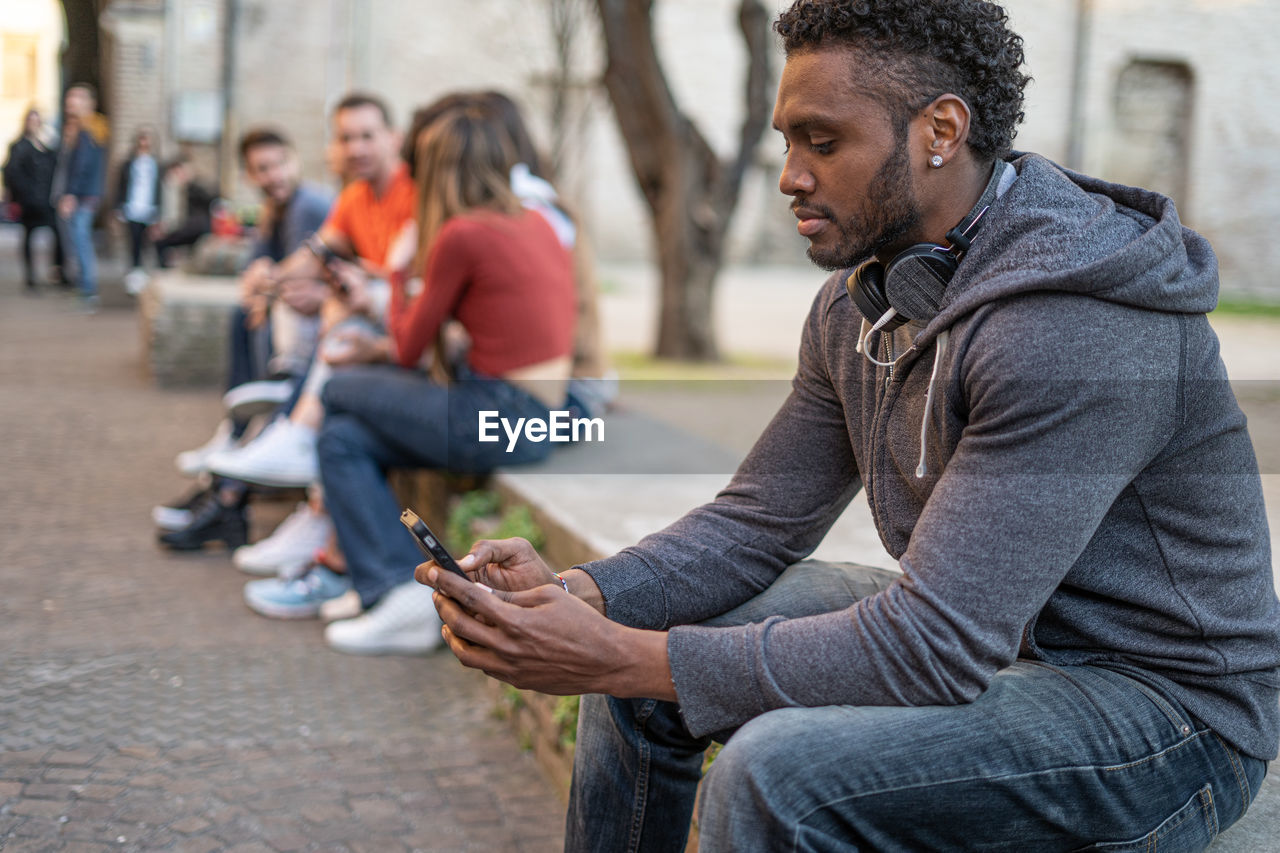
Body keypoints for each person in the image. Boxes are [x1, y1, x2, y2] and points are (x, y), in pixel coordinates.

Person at [418, 1, 1280, 850]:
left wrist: (618, 653)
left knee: (773, 771)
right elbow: (757, 519)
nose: (789, 173)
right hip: (997, 639)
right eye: (787, 140)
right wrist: (583, 598)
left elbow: (935, 646)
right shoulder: (862, 298)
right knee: (649, 671)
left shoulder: (1074, 328)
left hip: (1164, 711)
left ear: (940, 130)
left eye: (822, 142)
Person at [241, 100, 577, 651]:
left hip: (495, 415)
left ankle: (347, 541)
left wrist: (399, 265)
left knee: (339, 390)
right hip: (537, 416)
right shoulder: (537, 219)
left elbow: (406, 347)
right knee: (342, 438)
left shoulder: (461, 234)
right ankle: (395, 594)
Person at [155, 127, 334, 551]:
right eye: (261, 169)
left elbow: (297, 276)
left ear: (294, 159)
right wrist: (260, 288)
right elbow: (258, 270)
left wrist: (265, 289)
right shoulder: (276, 209)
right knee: (244, 317)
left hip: (312, 337)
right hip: (296, 331)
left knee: (276, 376)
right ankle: (234, 444)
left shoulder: (308, 205)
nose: (272, 175)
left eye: (277, 164)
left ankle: (228, 490)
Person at [51, 84, 108, 310]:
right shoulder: (80, 129)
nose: (70, 103)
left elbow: (81, 166)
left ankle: (88, 290)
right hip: (85, 195)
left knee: (81, 241)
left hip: (82, 196)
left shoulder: (88, 129)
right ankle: (84, 287)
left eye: (76, 98)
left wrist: (71, 194)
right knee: (78, 241)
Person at [3, 107, 63, 291]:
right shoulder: (18, 146)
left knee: (57, 234)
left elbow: (55, 164)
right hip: (28, 201)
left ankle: (57, 271)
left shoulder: (45, 145)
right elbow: (11, 172)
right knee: (29, 237)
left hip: (46, 199)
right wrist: (20, 196)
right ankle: (30, 276)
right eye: (31, 121)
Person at [115, 128, 163, 293]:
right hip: (132, 208)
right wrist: (118, 208)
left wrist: (159, 211)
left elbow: (159, 189)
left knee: (147, 244)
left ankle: (145, 275)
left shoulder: (155, 164)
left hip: (149, 210)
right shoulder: (129, 164)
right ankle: (134, 276)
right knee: (133, 243)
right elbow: (120, 186)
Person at [152, 157, 215, 268]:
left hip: (196, 228)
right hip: (188, 227)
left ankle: (165, 269)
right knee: (160, 241)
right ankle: (165, 268)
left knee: (161, 242)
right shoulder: (174, 189)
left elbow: (211, 198)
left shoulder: (194, 188)